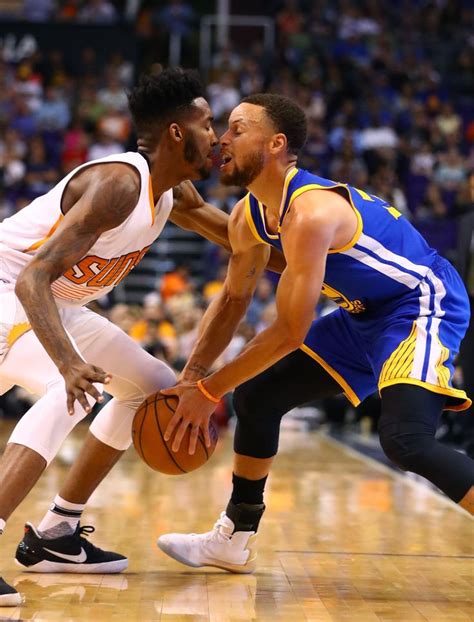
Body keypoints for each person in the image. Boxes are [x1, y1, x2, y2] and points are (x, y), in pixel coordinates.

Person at [156, 94, 474, 574]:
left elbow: (289, 329)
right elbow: (232, 300)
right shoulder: (249, 215)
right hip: (361, 313)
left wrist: (208, 391)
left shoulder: (311, 212)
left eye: (238, 129)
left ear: (276, 144)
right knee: (259, 396)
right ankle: (233, 538)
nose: (222, 138)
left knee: (406, 440)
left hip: (418, 304)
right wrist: (193, 376)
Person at [0, 69, 282, 606]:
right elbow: (33, 276)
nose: (218, 138)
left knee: (152, 383)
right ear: (177, 133)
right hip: (11, 291)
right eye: (207, 124)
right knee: (73, 389)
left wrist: (324, 258)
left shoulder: (173, 192)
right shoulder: (119, 184)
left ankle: (58, 533)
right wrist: (67, 364)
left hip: (55, 304)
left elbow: (243, 243)